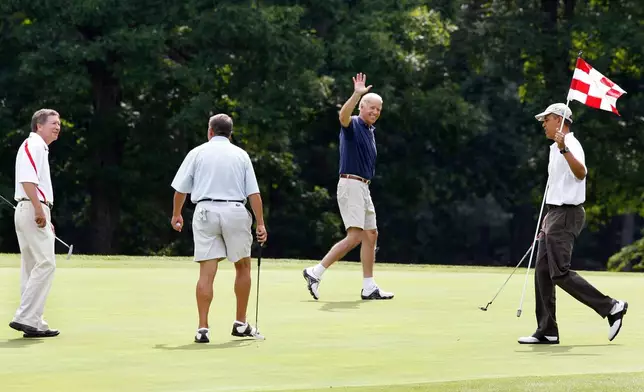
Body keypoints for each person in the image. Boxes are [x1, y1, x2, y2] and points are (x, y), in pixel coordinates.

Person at [518, 103, 628, 344]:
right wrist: (548, 216)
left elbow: (581, 173)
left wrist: (564, 148)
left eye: (545, 119)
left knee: (559, 272)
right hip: (555, 213)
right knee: (544, 272)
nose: (543, 124)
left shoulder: (571, 145)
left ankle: (611, 307)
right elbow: (557, 187)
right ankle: (547, 330)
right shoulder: (553, 148)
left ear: (559, 119)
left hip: (568, 214)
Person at [170, 113, 267, 343]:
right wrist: (260, 223)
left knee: (207, 272)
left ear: (210, 131)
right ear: (230, 133)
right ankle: (241, 324)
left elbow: (180, 190)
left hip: (205, 212)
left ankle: (202, 328)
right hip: (234, 210)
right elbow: (254, 193)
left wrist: (176, 215)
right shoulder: (241, 155)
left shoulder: (197, 152)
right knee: (243, 267)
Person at [303, 73, 393, 301]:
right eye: (370, 107)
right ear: (361, 107)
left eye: (378, 110)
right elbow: (343, 115)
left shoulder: (370, 131)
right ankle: (315, 272)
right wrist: (356, 94)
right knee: (354, 236)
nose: (374, 112)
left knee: (371, 234)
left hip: (363, 187)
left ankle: (369, 286)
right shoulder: (353, 124)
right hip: (351, 184)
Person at [9, 109, 62, 338]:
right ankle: (25, 317)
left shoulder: (39, 146)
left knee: (32, 267)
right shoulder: (35, 144)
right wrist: (40, 210)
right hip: (32, 207)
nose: (58, 127)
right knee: (46, 263)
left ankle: (35, 321)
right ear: (38, 126)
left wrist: (44, 214)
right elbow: (27, 179)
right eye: (53, 123)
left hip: (30, 208)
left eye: (59, 123)